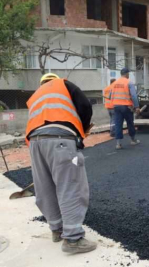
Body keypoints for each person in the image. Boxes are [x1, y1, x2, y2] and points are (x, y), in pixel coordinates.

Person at [25, 73, 97, 253]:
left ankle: (57, 230)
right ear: (54, 79)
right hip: (60, 140)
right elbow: (85, 105)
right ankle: (73, 238)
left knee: (45, 187)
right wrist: (83, 129)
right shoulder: (63, 84)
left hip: (35, 143)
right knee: (70, 186)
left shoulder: (34, 97)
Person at [110, 68, 140, 150]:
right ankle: (133, 140)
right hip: (126, 106)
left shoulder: (115, 83)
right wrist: (137, 106)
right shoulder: (128, 82)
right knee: (130, 123)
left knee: (118, 124)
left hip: (116, 106)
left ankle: (118, 144)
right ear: (126, 74)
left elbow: (110, 95)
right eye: (128, 74)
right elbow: (134, 95)